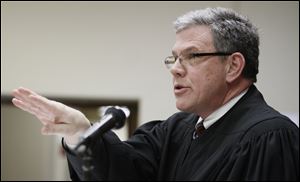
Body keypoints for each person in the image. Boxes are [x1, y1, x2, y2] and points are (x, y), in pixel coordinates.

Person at [12, 7, 299, 181]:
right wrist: (79, 130)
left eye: (193, 56)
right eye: (174, 58)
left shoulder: (269, 137)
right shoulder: (177, 129)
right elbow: (125, 170)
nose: (175, 69)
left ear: (233, 65)